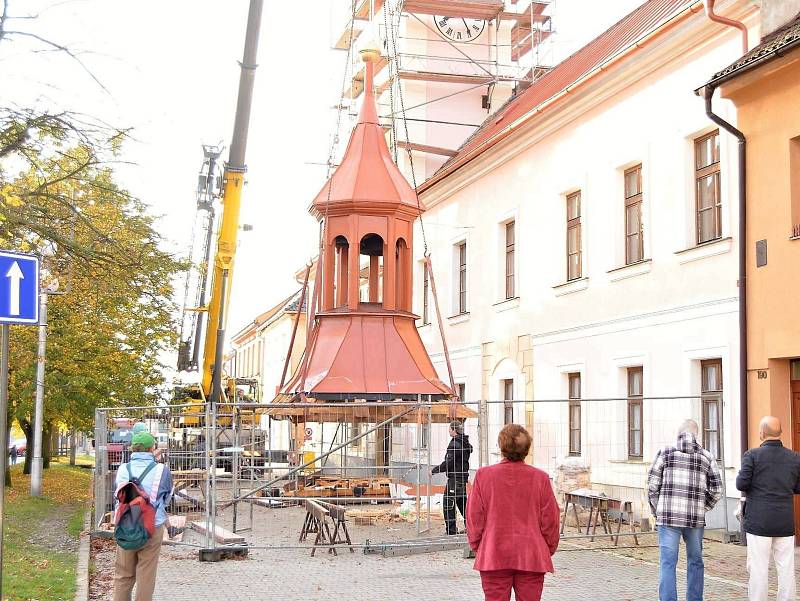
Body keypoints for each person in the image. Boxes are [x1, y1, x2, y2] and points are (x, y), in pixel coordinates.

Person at [466, 424, 559, 601]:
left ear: (501, 447)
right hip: (531, 554)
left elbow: (474, 516)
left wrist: (479, 545)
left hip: (494, 552)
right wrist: (547, 548)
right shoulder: (540, 478)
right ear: (527, 449)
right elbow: (551, 520)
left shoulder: (484, 476)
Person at [647, 419, 722, 601]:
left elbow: (652, 485)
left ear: (678, 434)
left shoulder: (664, 452)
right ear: (696, 435)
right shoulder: (706, 456)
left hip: (668, 518)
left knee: (667, 563)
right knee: (695, 562)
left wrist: (659, 509)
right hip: (695, 519)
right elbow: (717, 489)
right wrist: (703, 506)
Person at [736, 415, 800, 601]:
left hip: (758, 521)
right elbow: (798, 487)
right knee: (786, 567)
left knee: (758, 568)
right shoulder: (795, 457)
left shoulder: (752, 456)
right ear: (780, 433)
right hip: (784, 521)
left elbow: (741, 483)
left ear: (761, 433)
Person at [113, 429, 172, 601]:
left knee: (123, 574)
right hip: (152, 526)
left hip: (125, 525)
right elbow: (167, 497)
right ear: (151, 448)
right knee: (146, 574)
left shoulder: (123, 469)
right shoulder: (162, 470)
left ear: (133, 449)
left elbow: (117, 495)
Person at [431, 419, 472, 535]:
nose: (448, 430)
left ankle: (451, 530)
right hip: (462, 478)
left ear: (454, 430)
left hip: (454, 479)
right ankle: (471, 528)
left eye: (449, 428)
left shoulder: (454, 444)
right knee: (462, 504)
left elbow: (449, 463)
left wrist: (434, 470)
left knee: (448, 504)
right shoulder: (465, 442)